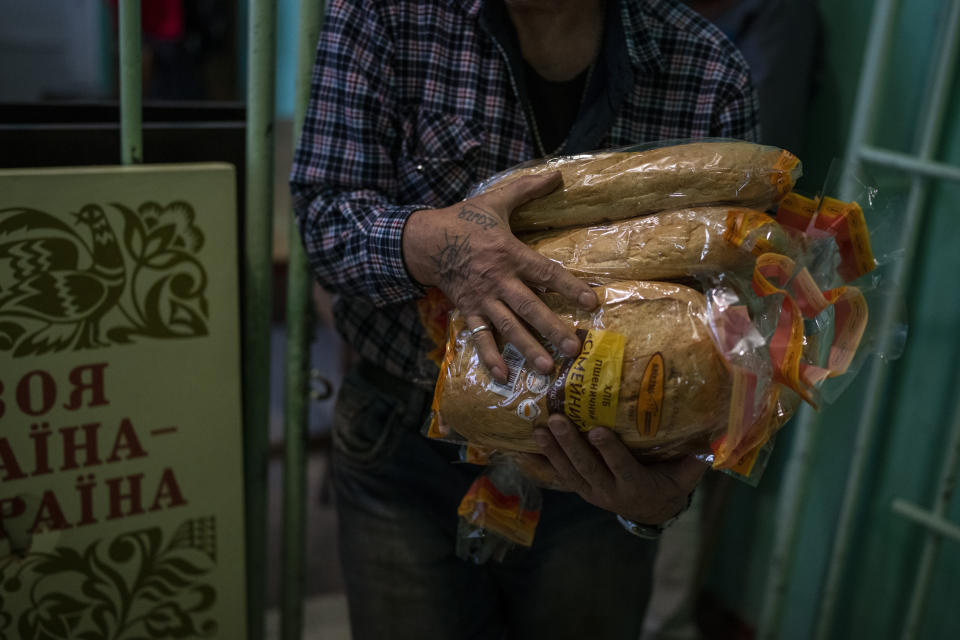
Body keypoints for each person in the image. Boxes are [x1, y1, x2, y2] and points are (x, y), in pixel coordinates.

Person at [291, 1, 760, 638]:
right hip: (405, 440)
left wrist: (666, 492)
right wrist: (442, 248)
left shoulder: (708, 70)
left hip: (600, 468)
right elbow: (323, 220)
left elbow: (729, 321)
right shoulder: (384, 13)